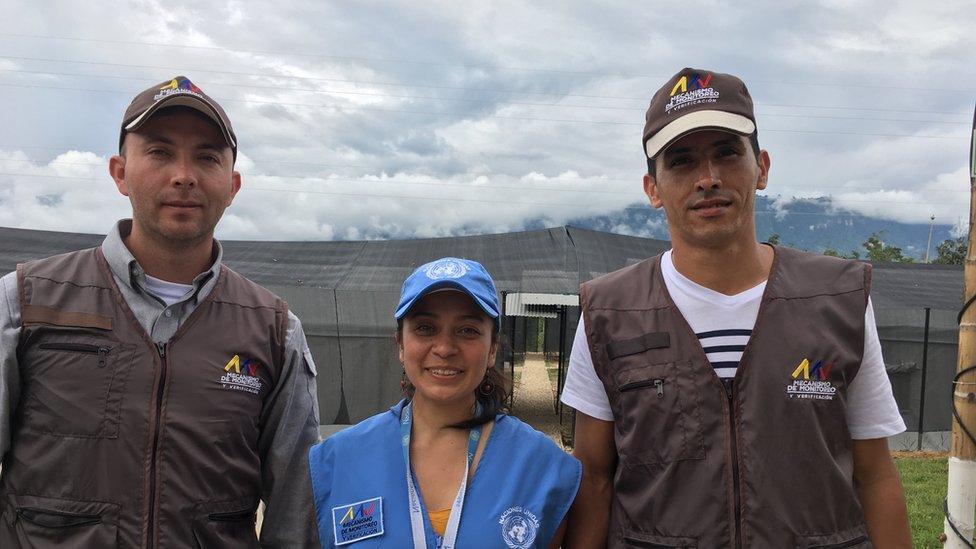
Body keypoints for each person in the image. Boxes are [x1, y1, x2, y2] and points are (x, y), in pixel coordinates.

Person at [560, 68, 912, 548]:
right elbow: (594, 477)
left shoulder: (837, 299)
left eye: (726, 153)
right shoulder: (608, 312)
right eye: (681, 161)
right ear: (652, 188)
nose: (708, 179)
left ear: (761, 167)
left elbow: (874, 474)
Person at [0, 76, 321, 547]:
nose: (184, 175)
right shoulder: (24, 302)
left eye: (207, 157)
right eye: (159, 152)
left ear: (232, 186)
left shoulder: (274, 331)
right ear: (119, 172)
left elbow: (295, 510)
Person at [308, 257, 580, 548]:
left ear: (492, 351)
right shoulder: (335, 462)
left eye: (467, 330)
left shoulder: (543, 468)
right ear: (400, 344)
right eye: (425, 328)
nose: (445, 348)